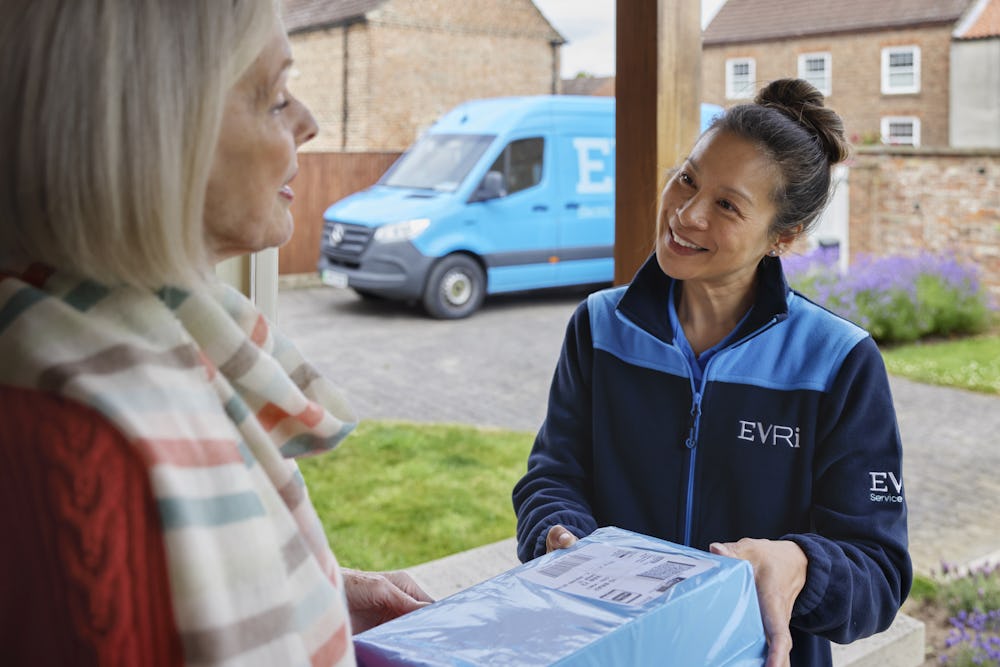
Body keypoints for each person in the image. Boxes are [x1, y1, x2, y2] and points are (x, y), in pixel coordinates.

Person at [0, 2, 431, 665]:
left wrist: (325, 594)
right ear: (148, 132)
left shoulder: (142, 330)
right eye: (276, 98)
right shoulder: (78, 439)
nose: (309, 124)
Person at [512, 79, 911, 667]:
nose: (686, 213)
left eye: (727, 205)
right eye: (687, 178)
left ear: (785, 236)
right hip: (606, 650)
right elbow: (553, 477)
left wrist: (799, 564)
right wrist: (559, 533)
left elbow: (876, 573)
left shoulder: (837, 361)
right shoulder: (598, 328)